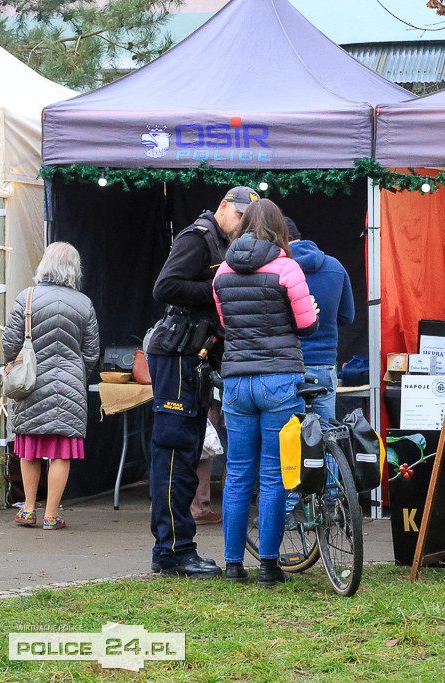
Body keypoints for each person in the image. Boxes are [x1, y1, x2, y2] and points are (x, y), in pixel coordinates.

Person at [147, 186, 259, 578]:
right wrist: (218, 290)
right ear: (224, 207)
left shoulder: (218, 241)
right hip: (177, 354)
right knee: (176, 452)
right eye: (241, 216)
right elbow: (165, 286)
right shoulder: (197, 238)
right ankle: (174, 552)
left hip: (191, 357)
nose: (243, 225)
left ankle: (176, 548)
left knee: (187, 452)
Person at [213, 199, 318, 587]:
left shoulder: (222, 271)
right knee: (274, 476)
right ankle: (270, 568)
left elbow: (226, 325)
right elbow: (306, 324)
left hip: (237, 382)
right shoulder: (287, 267)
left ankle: (232, 566)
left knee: (238, 473)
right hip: (278, 380)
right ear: (279, 229)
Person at [4, 243, 99, 530]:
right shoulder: (84, 303)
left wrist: (12, 365)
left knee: (29, 447)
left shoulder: (27, 297)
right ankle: (51, 515)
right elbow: (92, 352)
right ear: (74, 269)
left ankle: (28, 509)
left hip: (30, 384)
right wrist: (75, 376)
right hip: (69, 386)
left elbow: (9, 343)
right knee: (61, 451)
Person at [285, 217, 355, 421]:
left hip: (288, 365)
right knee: (326, 435)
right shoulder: (335, 266)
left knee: (288, 435)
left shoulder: (278, 269)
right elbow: (347, 316)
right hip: (324, 364)